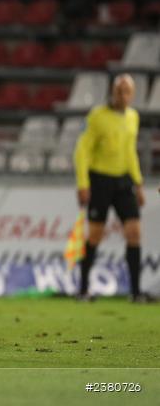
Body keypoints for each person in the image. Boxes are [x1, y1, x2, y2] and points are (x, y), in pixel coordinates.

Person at [74, 74, 151, 303]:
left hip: (123, 181)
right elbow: (82, 151)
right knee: (95, 235)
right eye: (119, 90)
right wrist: (82, 183)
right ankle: (84, 289)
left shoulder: (132, 117)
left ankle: (135, 292)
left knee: (134, 232)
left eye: (127, 91)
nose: (123, 95)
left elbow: (130, 153)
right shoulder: (98, 116)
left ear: (133, 95)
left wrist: (138, 184)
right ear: (112, 92)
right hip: (100, 181)